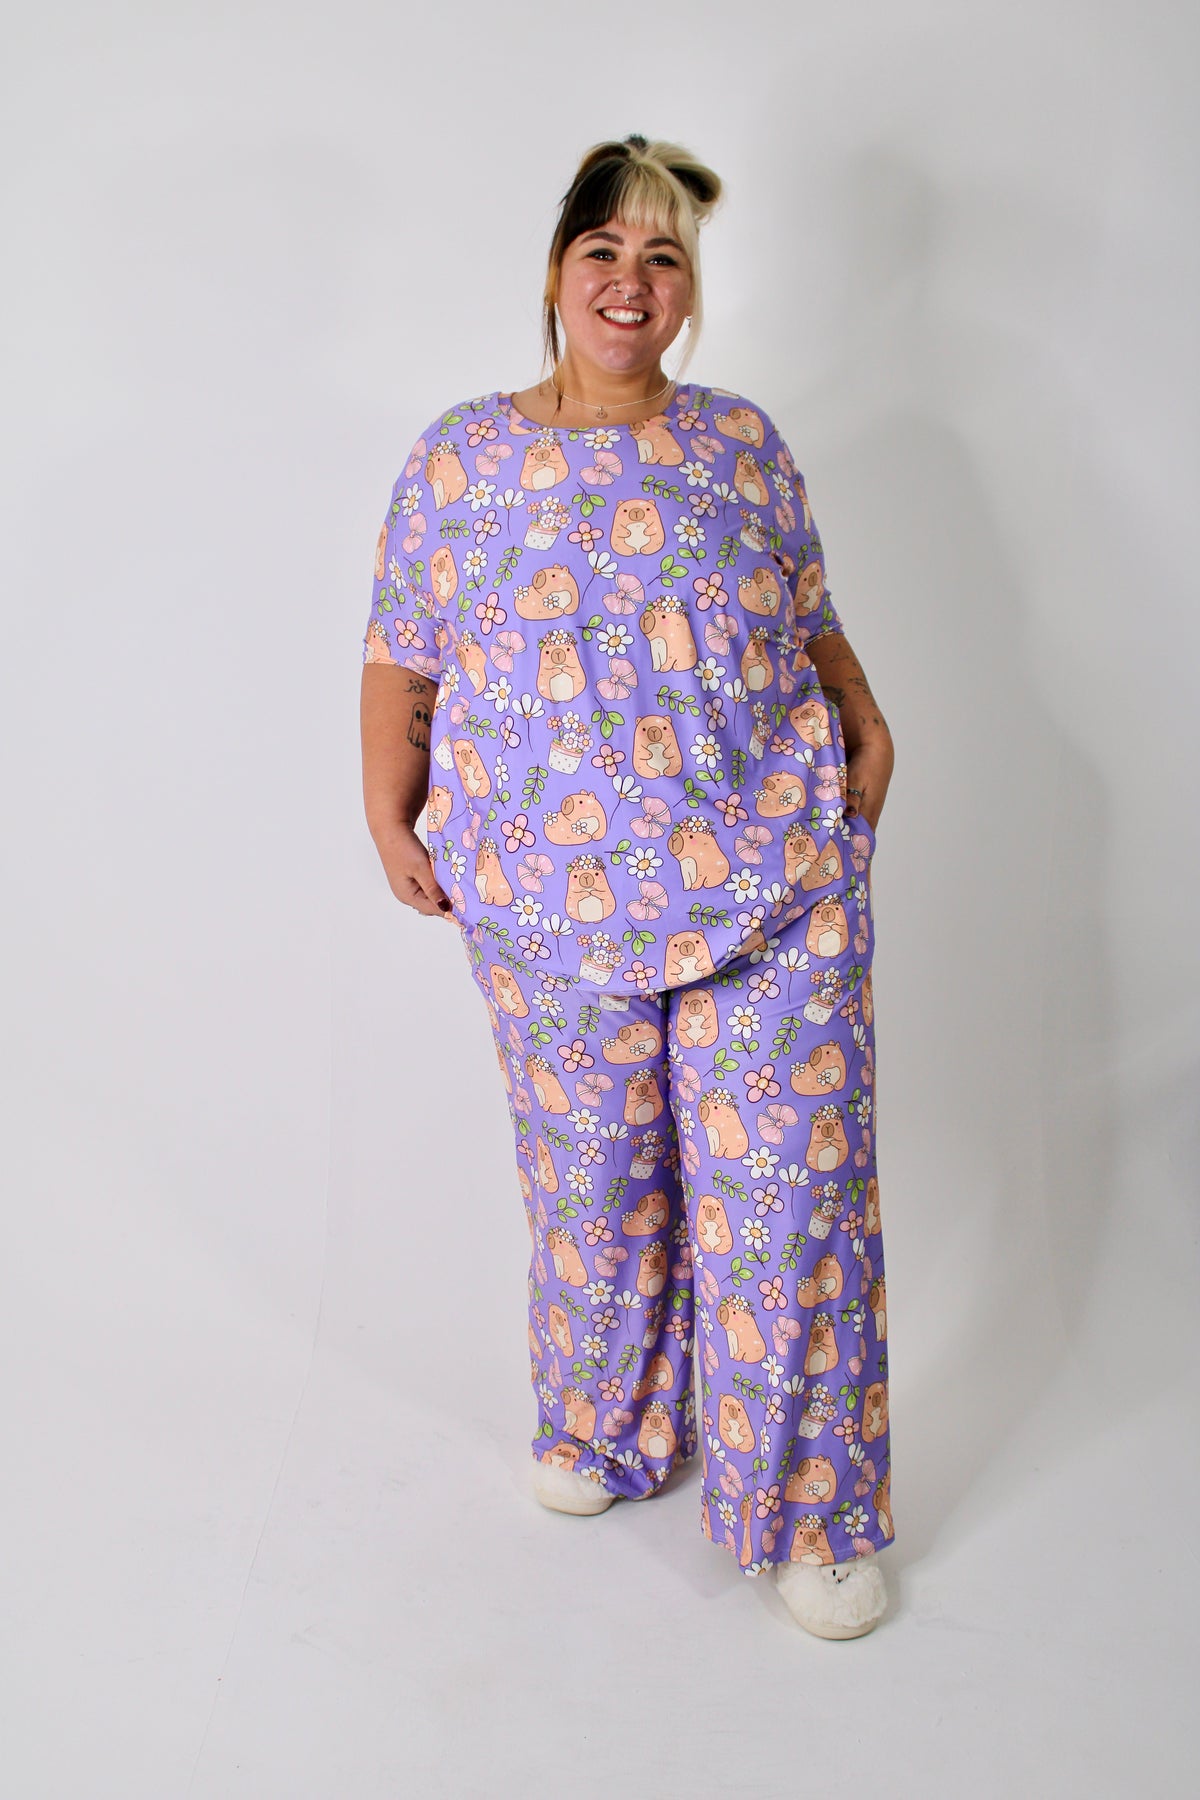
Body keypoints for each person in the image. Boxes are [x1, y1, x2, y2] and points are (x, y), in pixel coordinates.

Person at [359, 136, 897, 1639]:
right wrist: (387, 810)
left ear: (691, 295)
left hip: (771, 881)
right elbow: (403, 647)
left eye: (665, 257)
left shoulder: (741, 443)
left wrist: (866, 717)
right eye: (604, 249)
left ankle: (812, 1513)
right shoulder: (460, 458)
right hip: (546, 897)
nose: (631, 280)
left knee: (786, 1202)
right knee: (592, 1187)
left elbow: (808, 614)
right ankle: (610, 1429)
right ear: (556, 273)